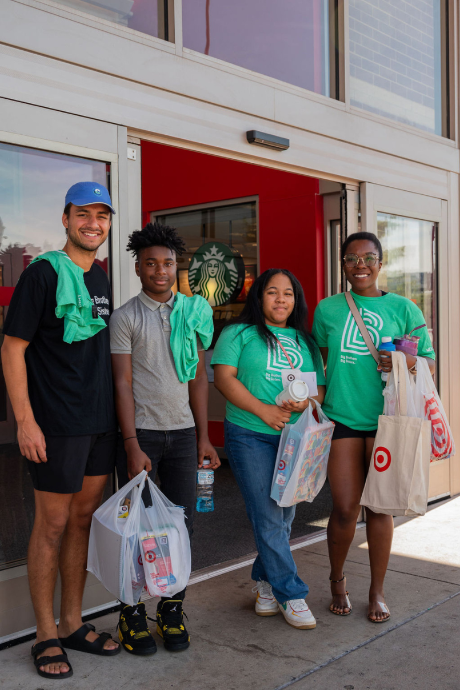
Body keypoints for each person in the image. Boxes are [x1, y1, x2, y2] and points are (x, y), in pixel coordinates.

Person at [1, 182, 121, 680]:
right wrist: (25, 421)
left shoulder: (102, 279)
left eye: (102, 215)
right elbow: (11, 349)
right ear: (66, 219)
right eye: (83, 214)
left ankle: (73, 623)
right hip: (56, 423)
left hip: (99, 422)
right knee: (50, 525)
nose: (93, 223)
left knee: (82, 521)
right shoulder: (42, 275)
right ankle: (44, 633)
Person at [312, 231, 435, 623]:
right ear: (343, 265)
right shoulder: (328, 309)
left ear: (381, 264)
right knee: (346, 508)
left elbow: (428, 362)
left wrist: (402, 361)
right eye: (351, 258)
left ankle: (377, 591)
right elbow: (321, 366)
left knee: (381, 508)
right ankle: (337, 580)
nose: (360, 264)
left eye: (368, 257)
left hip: (390, 421)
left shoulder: (404, 308)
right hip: (343, 417)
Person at [110, 222, 220, 656]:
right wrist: (131, 442)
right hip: (145, 437)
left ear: (178, 266)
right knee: (134, 530)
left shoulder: (192, 314)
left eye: (168, 263)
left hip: (184, 434)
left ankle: (171, 608)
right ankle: (131, 611)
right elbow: (121, 384)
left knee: (180, 527)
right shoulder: (125, 317)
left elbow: (197, 379)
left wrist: (205, 438)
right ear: (138, 268)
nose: (160, 270)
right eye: (151, 263)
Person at [212, 269, 326, 630]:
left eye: (288, 294)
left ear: (296, 300)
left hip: (295, 440)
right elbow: (223, 378)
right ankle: (291, 593)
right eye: (273, 292)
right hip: (250, 435)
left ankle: (264, 584)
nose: (280, 300)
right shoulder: (238, 333)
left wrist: (302, 403)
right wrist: (263, 409)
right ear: (259, 297)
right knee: (268, 515)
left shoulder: (305, 341)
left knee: (285, 516)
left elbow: (318, 392)